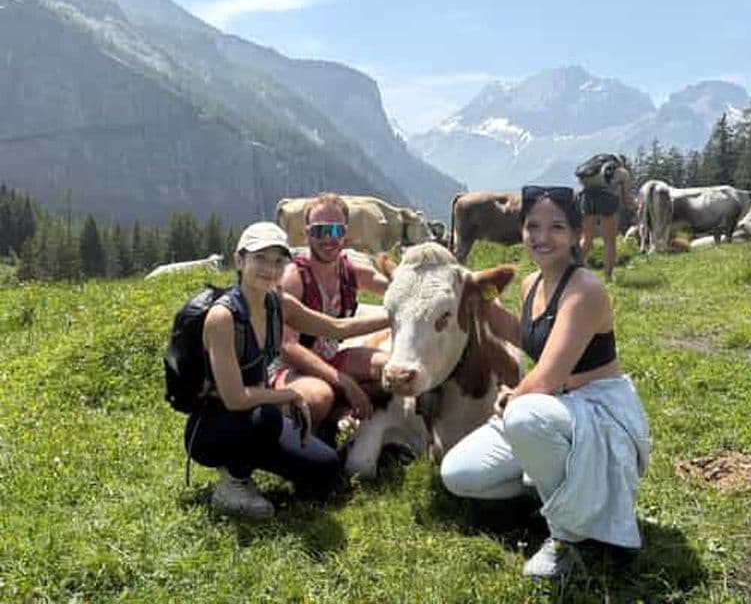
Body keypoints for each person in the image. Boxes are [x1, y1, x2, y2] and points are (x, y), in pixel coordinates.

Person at [440, 185, 651, 580]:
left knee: (522, 415)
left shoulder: (585, 289)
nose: (542, 237)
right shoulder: (531, 284)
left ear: (575, 235)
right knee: (459, 473)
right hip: (552, 410)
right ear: (520, 232)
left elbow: (549, 375)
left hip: (597, 411)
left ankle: (571, 539)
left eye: (556, 227)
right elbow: (526, 337)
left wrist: (513, 398)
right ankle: (562, 493)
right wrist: (478, 298)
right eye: (532, 226)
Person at [184, 221, 390, 520]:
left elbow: (337, 327)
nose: (270, 269)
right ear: (240, 260)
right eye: (260, 258)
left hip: (256, 416)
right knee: (266, 416)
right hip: (214, 426)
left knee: (327, 470)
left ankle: (265, 462)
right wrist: (288, 394)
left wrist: (396, 316)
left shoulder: (279, 305)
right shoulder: (222, 318)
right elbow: (234, 398)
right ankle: (234, 484)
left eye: (279, 261)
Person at [272, 193, 390, 436]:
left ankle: (337, 415)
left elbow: (397, 290)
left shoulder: (352, 272)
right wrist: (344, 381)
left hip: (330, 359)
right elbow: (287, 348)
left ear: (345, 233)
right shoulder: (294, 279)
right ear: (306, 234)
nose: (328, 238)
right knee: (319, 397)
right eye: (319, 231)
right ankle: (311, 430)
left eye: (335, 231)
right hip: (289, 369)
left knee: (393, 373)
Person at [577, 153, 637, 282]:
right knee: (609, 241)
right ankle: (608, 277)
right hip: (607, 199)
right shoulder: (622, 173)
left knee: (586, 239)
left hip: (587, 198)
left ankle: (573, 270)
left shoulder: (594, 169)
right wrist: (637, 207)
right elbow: (627, 200)